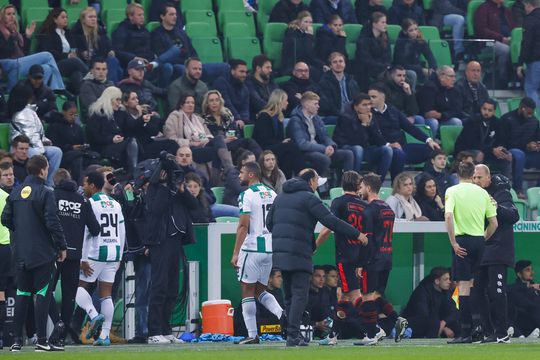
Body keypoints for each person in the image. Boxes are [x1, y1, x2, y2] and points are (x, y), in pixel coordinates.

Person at [266, 168, 364, 346]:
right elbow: (331, 221)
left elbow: (269, 223)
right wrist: (356, 233)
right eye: (316, 182)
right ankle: (293, 335)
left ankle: (292, 333)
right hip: (300, 252)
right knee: (299, 295)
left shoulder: (280, 197)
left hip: (280, 253)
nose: (316, 186)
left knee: (289, 296)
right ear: (311, 181)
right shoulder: (309, 198)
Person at [1, 155, 67, 352]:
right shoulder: (45, 192)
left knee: (22, 294)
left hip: (20, 253)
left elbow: (5, 218)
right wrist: (61, 246)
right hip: (42, 254)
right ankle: (42, 339)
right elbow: (52, 222)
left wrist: (21, 233)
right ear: (43, 170)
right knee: (42, 295)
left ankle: (15, 341)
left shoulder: (15, 192)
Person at [144, 157, 198, 344]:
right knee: (159, 286)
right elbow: (156, 210)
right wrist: (166, 187)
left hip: (176, 241)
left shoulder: (178, 190)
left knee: (172, 288)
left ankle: (166, 329)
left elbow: (194, 205)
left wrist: (181, 190)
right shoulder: (155, 189)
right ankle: (154, 331)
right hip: (160, 241)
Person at [230, 161, 284, 344]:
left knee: (246, 291)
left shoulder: (246, 195)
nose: (239, 176)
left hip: (252, 248)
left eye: (242, 172)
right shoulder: (273, 193)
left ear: (251, 174)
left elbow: (243, 225)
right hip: (269, 248)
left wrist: (236, 252)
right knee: (260, 290)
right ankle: (282, 315)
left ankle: (252, 335)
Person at [444, 161, 498, 344]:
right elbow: (494, 223)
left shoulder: (452, 191)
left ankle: (466, 331)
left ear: (458, 173)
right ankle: (480, 328)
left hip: (463, 241)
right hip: (478, 241)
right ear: (472, 173)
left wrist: (453, 242)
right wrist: (482, 238)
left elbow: (449, 216)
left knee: (464, 287)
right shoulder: (483, 193)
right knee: (477, 286)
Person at [315, 171, 369, 345]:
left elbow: (327, 228)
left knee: (353, 295)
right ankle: (333, 336)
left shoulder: (339, 202)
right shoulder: (363, 205)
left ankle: (376, 329)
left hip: (345, 256)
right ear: (357, 184)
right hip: (360, 255)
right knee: (343, 296)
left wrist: (314, 246)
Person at [49, 169, 100, 349]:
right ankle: (61, 338)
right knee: (70, 296)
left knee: (45, 292)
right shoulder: (83, 200)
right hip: (75, 255)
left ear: (55, 182)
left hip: (54, 253)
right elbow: (95, 229)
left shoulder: (52, 196)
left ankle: (58, 325)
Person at [75, 171, 126, 347]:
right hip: (113, 252)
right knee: (106, 295)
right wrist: (119, 256)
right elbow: (122, 230)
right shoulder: (115, 203)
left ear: (93, 186)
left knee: (79, 288)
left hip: (94, 252)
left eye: (85, 183)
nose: (83, 186)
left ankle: (93, 314)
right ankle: (104, 336)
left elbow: (85, 232)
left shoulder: (89, 203)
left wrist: (82, 258)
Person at [358, 173, 408, 342]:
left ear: (369, 188)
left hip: (373, 258)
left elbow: (368, 240)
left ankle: (371, 335)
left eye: (362, 186)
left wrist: (361, 263)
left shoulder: (369, 210)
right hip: (387, 257)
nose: (360, 190)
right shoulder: (387, 208)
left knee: (366, 296)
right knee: (377, 295)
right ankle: (396, 320)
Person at [473, 164, 519, 343]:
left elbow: (513, 216)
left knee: (496, 290)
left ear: (488, 178)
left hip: (499, 248)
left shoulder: (501, 193)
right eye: (474, 178)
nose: (476, 181)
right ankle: (488, 331)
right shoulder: (474, 195)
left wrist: (496, 206)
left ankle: (502, 331)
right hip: (482, 249)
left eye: (479, 177)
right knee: (478, 291)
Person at [368, 83, 440, 179]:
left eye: (373, 97)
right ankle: (395, 185)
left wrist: (429, 140)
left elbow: (410, 127)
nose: (370, 100)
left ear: (382, 97)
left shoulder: (393, 110)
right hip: (382, 148)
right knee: (398, 153)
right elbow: (373, 135)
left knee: (432, 150)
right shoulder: (368, 113)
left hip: (402, 146)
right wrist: (389, 144)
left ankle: (427, 181)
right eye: (369, 97)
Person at [288, 91, 354, 179]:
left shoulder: (316, 118)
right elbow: (302, 144)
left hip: (320, 149)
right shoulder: (295, 120)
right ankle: (318, 188)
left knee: (348, 154)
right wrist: (323, 149)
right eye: (315, 104)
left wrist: (331, 146)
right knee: (324, 159)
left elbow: (325, 136)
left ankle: (346, 184)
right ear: (306, 104)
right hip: (305, 153)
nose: (318, 106)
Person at [0, 4, 66, 92]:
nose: (12, 17)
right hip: (5, 63)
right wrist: (12, 35)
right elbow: (5, 52)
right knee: (47, 55)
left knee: (47, 68)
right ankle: (59, 88)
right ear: (2, 17)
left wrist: (27, 37)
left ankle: (38, 94)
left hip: (19, 62)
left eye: (14, 14)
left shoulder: (16, 32)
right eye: (8, 14)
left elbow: (24, 53)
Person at [164, 93, 234, 175]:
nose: (191, 105)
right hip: (190, 149)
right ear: (181, 105)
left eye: (192, 103)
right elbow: (171, 139)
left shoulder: (198, 119)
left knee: (219, 138)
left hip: (204, 144)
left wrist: (205, 141)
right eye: (187, 102)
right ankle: (225, 174)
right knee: (216, 152)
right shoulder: (174, 117)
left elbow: (209, 135)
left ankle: (229, 168)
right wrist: (192, 143)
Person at [8, 83, 63, 186]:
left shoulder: (30, 111)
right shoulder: (21, 114)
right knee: (36, 155)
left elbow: (38, 131)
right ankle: (38, 185)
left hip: (33, 145)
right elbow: (31, 136)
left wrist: (44, 139)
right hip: (19, 147)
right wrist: (41, 153)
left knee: (56, 152)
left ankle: (48, 183)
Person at [333, 93, 393, 178]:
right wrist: (364, 124)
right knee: (358, 149)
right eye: (364, 105)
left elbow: (379, 141)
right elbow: (354, 141)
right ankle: (354, 181)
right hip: (347, 148)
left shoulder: (370, 116)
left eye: (369, 104)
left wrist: (370, 125)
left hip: (365, 149)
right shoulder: (345, 117)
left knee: (387, 150)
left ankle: (377, 183)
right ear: (356, 107)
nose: (368, 107)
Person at [175, 146, 240, 218]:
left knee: (238, 212)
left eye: (187, 156)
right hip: (183, 210)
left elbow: (211, 196)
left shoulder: (199, 174)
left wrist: (202, 198)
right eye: (181, 155)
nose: (184, 158)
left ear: (191, 159)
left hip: (207, 207)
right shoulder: (171, 175)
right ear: (176, 158)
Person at [86, 86, 139, 174]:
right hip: (103, 148)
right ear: (109, 100)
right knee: (131, 142)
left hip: (119, 146)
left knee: (134, 140)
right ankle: (134, 170)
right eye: (117, 100)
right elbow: (94, 138)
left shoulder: (120, 113)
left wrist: (141, 118)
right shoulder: (96, 115)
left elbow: (131, 125)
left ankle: (134, 170)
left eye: (120, 100)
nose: (119, 103)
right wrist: (111, 139)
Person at [38, 8, 89, 95]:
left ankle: (80, 100)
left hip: (69, 65)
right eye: (63, 17)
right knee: (75, 61)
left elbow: (74, 48)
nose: (66, 19)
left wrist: (77, 53)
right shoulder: (47, 34)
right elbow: (48, 52)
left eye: (66, 17)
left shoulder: (68, 33)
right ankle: (91, 77)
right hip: (54, 64)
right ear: (55, 19)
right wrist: (67, 56)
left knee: (77, 74)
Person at [454, 99, 512, 177]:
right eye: (484, 109)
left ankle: (505, 185)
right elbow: (472, 143)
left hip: (487, 151)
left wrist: (501, 150)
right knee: (479, 154)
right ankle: (476, 180)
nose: (486, 112)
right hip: (466, 150)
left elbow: (501, 139)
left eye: (490, 110)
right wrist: (492, 150)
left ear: (494, 111)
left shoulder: (497, 123)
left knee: (506, 157)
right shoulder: (472, 121)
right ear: (481, 109)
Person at [253, 89, 304, 177]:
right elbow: (263, 139)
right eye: (286, 100)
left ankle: (286, 180)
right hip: (264, 147)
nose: (287, 103)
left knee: (289, 151)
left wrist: (282, 142)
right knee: (291, 146)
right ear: (279, 101)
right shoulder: (264, 116)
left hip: (275, 146)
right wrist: (281, 143)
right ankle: (302, 176)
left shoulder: (279, 117)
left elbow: (279, 139)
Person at [496, 97, 540, 196]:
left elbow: (537, 138)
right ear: (522, 108)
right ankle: (518, 189)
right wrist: (526, 146)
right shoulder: (507, 119)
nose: (531, 116)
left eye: (532, 113)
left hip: (529, 155)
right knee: (519, 154)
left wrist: (537, 145)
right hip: (512, 152)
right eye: (529, 113)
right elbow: (503, 143)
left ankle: (537, 190)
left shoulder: (534, 121)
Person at [47, 101, 98, 184]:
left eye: (75, 115)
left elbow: (84, 140)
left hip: (79, 153)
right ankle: (79, 185)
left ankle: (93, 184)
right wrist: (71, 147)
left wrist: (83, 146)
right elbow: (54, 145)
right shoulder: (54, 126)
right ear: (64, 112)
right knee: (76, 158)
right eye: (71, 114)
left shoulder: (77, 127)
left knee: (94, 156)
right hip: (63, 155)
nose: (73, 117)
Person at [401, 267, 459, 338]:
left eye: (449, 279)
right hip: (412, 323)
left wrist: (443, 323)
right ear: (437, 281)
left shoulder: (445, 292)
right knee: (433, 323)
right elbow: (423, 314)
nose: (449, 282)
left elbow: (453, 310)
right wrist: (443, 327)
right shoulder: (422, 292)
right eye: (445, 279)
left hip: (437, 322)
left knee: (456, 324)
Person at [202, 90, 262, 159]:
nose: (214, 103)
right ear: (207, 103)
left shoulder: (227, 113)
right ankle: (263, 162)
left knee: (244, 151)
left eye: (217, 100)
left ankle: (261, 162)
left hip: (233, 142)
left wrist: (234, 137)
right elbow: (209, 139)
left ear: (220, 102)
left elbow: (236, 131)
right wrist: (224, 140)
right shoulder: (204, 119)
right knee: (248, 142)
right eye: (211, 101)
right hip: (220, 146)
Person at [121, 91, 179, 160]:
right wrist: (141, 118)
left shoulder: (144, 113)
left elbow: (154, 131)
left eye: (137, 98)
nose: (137, 101)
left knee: (172, 144)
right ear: (126, 103)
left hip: (149, 143)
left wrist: (146, 121)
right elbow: (133, 127)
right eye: (133, 99)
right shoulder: (124, 116)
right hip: (139, 148)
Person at [71, 7, 122, 83]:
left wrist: (110, 51)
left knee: (113, 60)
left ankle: (110, 86)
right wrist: (81, 53)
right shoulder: (75, 34)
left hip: (100, 62)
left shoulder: (101, 32)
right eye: (90, 17)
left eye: (95, 17)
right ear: (83, 20)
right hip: (85, 64)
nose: (93, 19)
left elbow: (109, 47)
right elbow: (74, 51)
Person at [474, 0, 515, 88]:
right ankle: (502, 79)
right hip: (488, 42)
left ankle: (516, 79)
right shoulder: (483, 8)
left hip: (508, 40)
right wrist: (501, 38)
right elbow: (481, 30)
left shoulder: (506, 10)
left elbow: (513, 27)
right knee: (505, 50)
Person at [382, 66, 432, 130]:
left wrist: (409, 94)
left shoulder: (406, 87)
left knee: (424, 120)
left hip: (404, 116)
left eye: (404, 76)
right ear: (391, 75)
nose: (402, 79)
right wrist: (403, 118)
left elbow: (414, 111)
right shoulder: (384, 88)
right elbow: (389, 109)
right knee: (419, 119)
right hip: (392, 118)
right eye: (399, 75)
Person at [417, 66, 465, 132]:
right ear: (441, 77)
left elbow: (457, 110)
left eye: (454, 76)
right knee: (433, 122)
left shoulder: (454, 89)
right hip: (428, 120)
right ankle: (430, 141)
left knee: (456, 122)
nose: (454, 79)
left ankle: (448, 142)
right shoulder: (429, 88)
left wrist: (441, 115)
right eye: (451, 76)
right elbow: (427, 112)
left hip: (443, 119)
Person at [393, 18, 437, 86]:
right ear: (405, 31)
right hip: (403, 69)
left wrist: (432, 68)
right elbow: (401, 63)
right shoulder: (400, 43)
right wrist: (421, 69)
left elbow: (429, 55)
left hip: (417, 67)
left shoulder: (420, 41)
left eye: (416, 29)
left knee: (436, 73)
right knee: (412, 74)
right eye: (411, 30)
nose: (414, 32)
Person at [280, 12, 323, 79]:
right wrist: (308, 36)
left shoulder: (305, 34)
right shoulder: (292, 33)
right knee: (315, 73)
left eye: (310, 22)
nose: (308, 25)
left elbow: (312, 56)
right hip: (292, 66)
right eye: (306, 22)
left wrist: (323, 65)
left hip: (305, 64)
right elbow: (305, 53)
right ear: (299, 22)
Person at [356, 12, 392, 91]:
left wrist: (386, 66)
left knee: (409, 75)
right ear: (374, 24)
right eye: (383, 22)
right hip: (368, 70)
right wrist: (382, 67)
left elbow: (388, 56)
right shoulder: (363, 39)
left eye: (385, 22)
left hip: (384, 68)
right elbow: (365, 60)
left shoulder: (385, 37)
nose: (385, 25)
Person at [319, 52, 360, 119]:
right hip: (336, 114)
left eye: (341, 61)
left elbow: (357, 99)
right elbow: (328, 105)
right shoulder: (324, 82)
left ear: (344, 64)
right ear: (330, 66)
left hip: (352, 112)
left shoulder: (352, 81)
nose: (338, 64)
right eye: (335, 62)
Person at [517, 0, 540, 110]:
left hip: (536, 60)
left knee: (531, 88)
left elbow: (527, 43)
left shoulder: (530, 20)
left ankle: (537, 119)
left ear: (528, 5)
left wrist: (520, 63)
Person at [214, 59, 251, 126]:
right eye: (241, 72)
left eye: (246, 72)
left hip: (240, 121)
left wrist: (244, 121)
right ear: (233, 71)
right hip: (224, 119)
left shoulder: (245, 88)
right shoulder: (221, 82)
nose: (244, 75)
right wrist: (237, 118)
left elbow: (245, 108)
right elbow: (227, 104)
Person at [508, 260, 540, 337]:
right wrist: (530, 287)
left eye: (531, 269)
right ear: (519, 274)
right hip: (523, 321)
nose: (532, 272)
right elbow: (525, 303)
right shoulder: (514, 288)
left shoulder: (536, 288)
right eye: (527, 270)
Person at [246, 55, 279, 122]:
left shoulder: (271, 82)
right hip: (257, 118)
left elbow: (280, 97)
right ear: (258, 68)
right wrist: (275, 108)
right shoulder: (249, 83)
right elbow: (258, 103)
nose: (270, 70)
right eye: (267, 67)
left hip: (273, 114)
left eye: (271, 67)